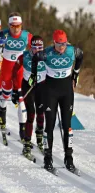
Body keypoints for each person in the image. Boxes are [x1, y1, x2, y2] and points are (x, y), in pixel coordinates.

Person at [31, 30, 83, 173]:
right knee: (50, 125)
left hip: (66, 92)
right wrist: (33, 75)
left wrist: (76, 73)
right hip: (51, 92)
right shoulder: (46, 53)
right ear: (54, 42)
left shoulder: (72, 51)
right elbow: (35, 58)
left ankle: (69, 159)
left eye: (64, 44)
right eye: (59, 44)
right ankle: (48, 159)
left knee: (67, 126)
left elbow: (81, 56)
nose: (62, 47)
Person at [0, 13, 32, 133]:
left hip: (20, 70)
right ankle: (1, 114)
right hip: (7, 70)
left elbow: (37, 49)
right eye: (12, 26)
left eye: (18, 26)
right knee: (5, 95)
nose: (15, 29)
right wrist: (0, 45)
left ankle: (22, 129)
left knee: (21, 99)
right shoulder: (3, 34)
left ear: (21, 25)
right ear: (9, 26)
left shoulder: (27, 36)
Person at [12, 35, 46, 158]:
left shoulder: (46, 56)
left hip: (42, 86)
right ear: (30, 47)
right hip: (28, 86)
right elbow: (14, 71)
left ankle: (40, 138)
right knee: (31, 113)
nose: (38, 50)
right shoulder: (24, 56)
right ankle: (26, 143)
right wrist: (15, 90)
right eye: (35, 47)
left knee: (41, 113)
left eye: (40, 47)